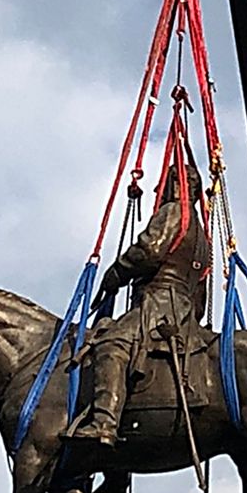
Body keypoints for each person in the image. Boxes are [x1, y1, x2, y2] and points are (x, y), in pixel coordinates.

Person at [67, 153, 211, 447]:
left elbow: (150, 251)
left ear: (178, 185)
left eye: (168, 183)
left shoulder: (175, 213)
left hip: (159, 301)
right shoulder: (201, 235)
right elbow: (201, 290)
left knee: (112, 344)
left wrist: (116, 273)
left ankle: (104, 423)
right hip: (183, 310)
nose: (162, 190)